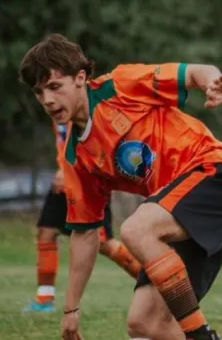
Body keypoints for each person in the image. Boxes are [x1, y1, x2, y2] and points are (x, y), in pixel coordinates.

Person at [19, 34, 222, 340]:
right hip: (173, 211)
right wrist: (71, 307)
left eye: (54, 86)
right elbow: (85, 233)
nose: (47, 100)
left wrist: (212, 81)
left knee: (135, 228)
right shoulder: (75, 157)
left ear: (80, 77)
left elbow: (192, 73)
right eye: (38, 92)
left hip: (211, 176)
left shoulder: (120, 85)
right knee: (145, 322)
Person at [24, 121, 142, 313]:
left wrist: (68, 166)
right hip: (63, 182)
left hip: (87, 180)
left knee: (105, 243)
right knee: (46, 232)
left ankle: (153, 283)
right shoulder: (55, 105)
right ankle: (44, 299)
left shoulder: (86, 103)